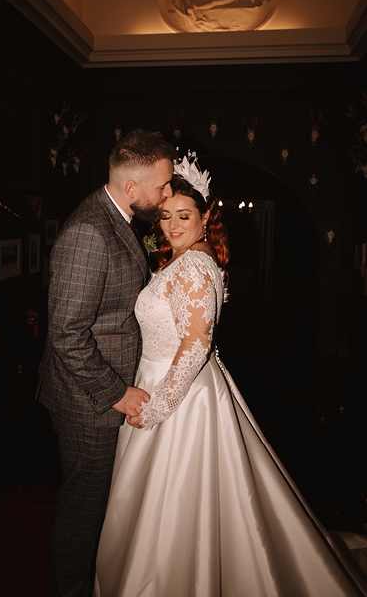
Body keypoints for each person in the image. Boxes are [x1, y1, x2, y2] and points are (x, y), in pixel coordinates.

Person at [94, 155, 367, 596]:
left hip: (177, 399)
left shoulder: (194, 266)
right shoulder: (187, 257)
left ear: (206, 217)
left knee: (174, 505)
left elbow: (195, 346)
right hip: (167, 384)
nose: (171, 225)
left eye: (184, 216)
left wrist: (157, 408)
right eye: (165, 215)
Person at [37, 129, 177, 597]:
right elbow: (66, 334)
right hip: (87, 403)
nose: (167, 194)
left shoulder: (119, 217)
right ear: (131, 187)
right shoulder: (88, 232)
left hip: (103, 393)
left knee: (98, 507)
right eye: (161, 186)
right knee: (83, 511)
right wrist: (116, 393)